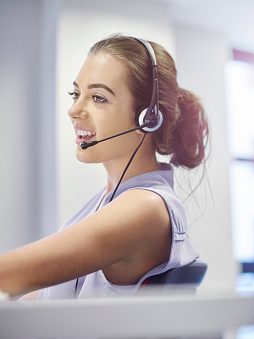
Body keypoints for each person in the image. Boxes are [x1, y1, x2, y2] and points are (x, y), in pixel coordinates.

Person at [0, 34, 209, 299]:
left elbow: (12, 274)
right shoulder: (105, 202)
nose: (74, 109)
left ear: (148, 118)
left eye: (98, 97)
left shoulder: (145, 207)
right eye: (75, 94)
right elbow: (42, 296)